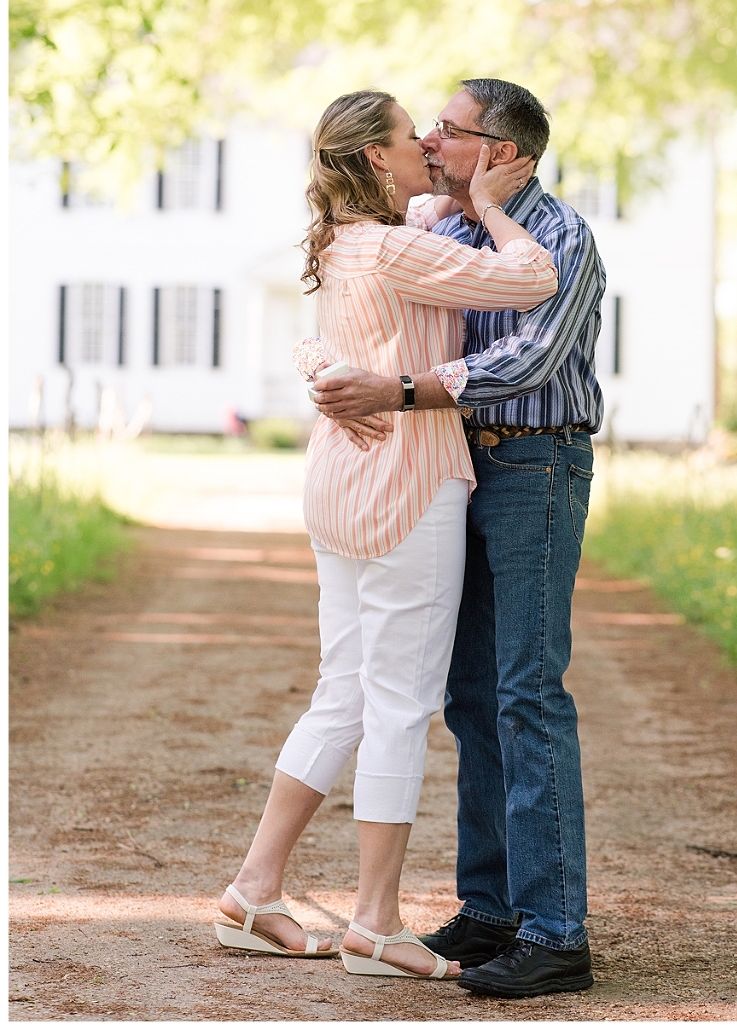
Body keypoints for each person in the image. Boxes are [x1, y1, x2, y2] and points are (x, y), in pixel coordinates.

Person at [214, 89, 559, 980]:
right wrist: (489, 207)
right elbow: (533, 279)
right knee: (399, 700)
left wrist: (325, 363)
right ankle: (374, 919)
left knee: (344, 692)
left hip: (337, 483)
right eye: (414, 138)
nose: (429, 148)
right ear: (374, 158)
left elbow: (323, 331)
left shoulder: (344, 238)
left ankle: (254, 890)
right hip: (410, 482)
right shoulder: (401, 244)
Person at [309, 79, 606, 999]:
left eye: (452, 129)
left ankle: (557, 930)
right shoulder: (440, 229)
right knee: (467, 693)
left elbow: (528, 359)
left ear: (504, 150)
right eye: (427, 127)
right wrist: (328, 372)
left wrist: (395, 391)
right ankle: (489, 909)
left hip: (534, 468)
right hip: (457, 468)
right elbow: (353, 306)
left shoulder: (562, 236)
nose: (432, 140)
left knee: (525, 689)